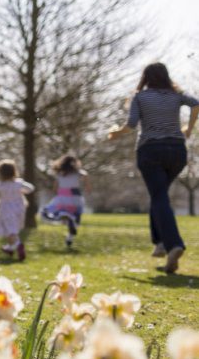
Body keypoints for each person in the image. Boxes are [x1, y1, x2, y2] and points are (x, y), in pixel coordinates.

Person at [109, 62, 199, 274]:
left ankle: (173, 244)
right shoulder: (176, 95)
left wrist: (114, 133)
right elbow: (196, 104)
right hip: (177, 151)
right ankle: (160, 243)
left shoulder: (140, 97)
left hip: (151, 151)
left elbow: (131, 125)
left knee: (159, 196)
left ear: (146, 78)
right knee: (159, 195)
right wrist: (188, 130)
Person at [0, 159, 35, 261]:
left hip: (6, 210)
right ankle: (9, 248)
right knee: (13, 230)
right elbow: (31, 188)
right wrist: (22, 191)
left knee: (10, 231)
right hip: (19, 209)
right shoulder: (18, 183)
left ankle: (17, 245)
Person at [42, 154, 90, 248]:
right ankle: (69, 238)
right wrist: (87, 186)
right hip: (75, 196)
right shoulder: (78, 172)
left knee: (59, 212)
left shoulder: (60, 174)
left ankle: (65, 217)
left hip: (63, 196)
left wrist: (57, 192)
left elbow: (55, 187)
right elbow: (85, 175)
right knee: (76, 217)